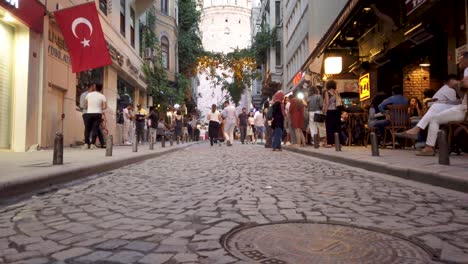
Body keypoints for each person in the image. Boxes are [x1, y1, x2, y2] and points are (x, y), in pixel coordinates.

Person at [398, 52, 468, 156]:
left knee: (434, 118)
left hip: (465, 109)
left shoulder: (467, 69)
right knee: (435, 106)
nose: (458, 63)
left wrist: (456, 83)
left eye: (461, 60)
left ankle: (429, 147)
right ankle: (417, 129)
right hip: (462, 106)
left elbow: (466, 84)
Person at [83, 83, 107, 149]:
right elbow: (105, 106)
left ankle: (86, 144)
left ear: (95, 87)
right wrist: (99, 108)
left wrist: (90, 107)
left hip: (89, 113)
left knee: (87, 129)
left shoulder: (88, 94)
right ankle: (92, 144)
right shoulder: (102, 96)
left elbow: (85, 106)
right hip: (98, 114)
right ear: (101, 88)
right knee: (95, 129)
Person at [323, 80, 343, 147]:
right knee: (337, 127)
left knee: (329, 127)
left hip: (330, 111)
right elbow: (340, 102)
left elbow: (327, 103)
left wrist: (325, 111)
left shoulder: (327, 92)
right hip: (337, 111)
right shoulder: (337, 92)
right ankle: (337, 142)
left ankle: (330, 143)